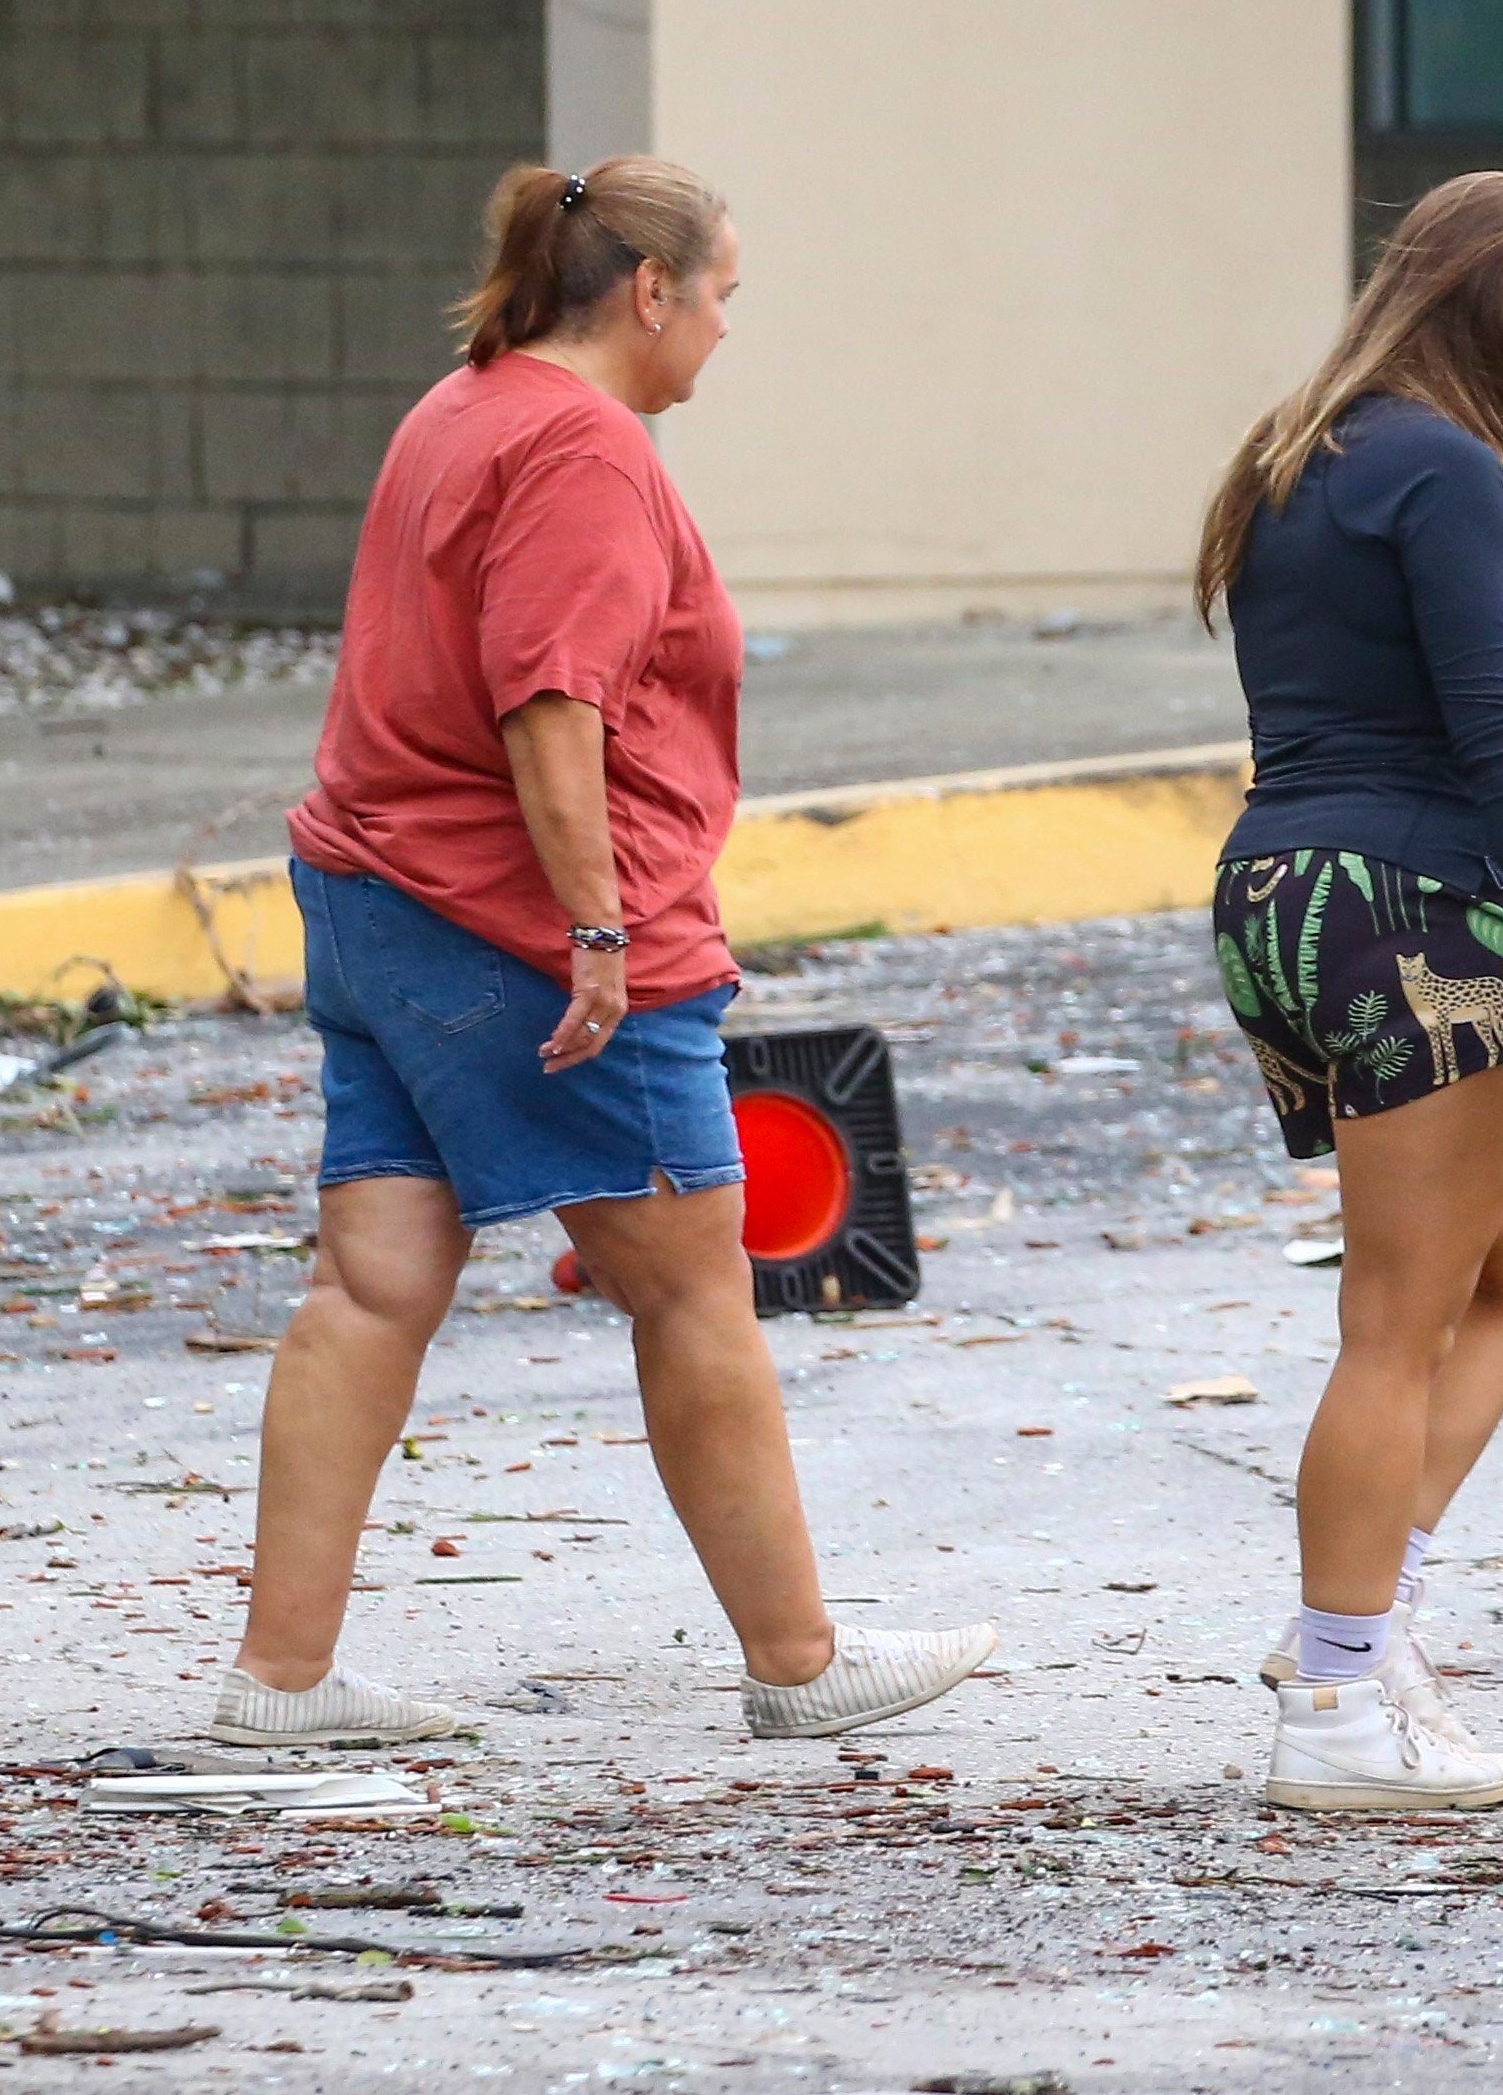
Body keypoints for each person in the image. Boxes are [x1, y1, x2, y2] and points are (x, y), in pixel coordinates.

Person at [206, 157, 990, 1757]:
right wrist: (599, 931)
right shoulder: (582, 445)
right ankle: (799, 1657)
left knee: (372, 1282)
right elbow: (549, 704)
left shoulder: (463, 404)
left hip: (375, 897)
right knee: (693, 1285)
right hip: (517, 924)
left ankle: (280, 1680)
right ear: (649, 290)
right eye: (722, 295)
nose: (724, 328)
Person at [1194, 172, 1503, 1815]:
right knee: (1394, 1326)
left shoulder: (1296, 447)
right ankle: (1334, 1695)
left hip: (1281, 895)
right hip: (1411, 915)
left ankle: (1356, 1625)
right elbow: (1495, 736)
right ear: (1501, 307)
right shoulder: (1447, 466)